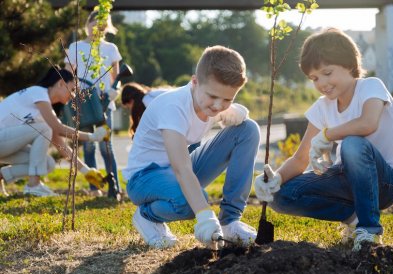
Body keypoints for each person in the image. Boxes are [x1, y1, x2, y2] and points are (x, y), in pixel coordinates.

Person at [254, 28, 393, 252]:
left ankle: (369, 231)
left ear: (349, 64)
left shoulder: (371, 87)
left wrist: (328, 134)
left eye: (327, 73)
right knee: (280, 197)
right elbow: (300, 159)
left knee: (352, 143)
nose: (321, 83)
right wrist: (274, 179)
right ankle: (354, 217)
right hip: (346, 178)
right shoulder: (322, 107)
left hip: (386, 182)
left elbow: (367, 123)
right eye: (314, 78)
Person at [123, 45, 260, 249]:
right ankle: (147, 216)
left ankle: (229, 221)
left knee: (247, 129)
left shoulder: (209, 102)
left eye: (228, 99)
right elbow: (182, 168)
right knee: (191, 203)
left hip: (173, 171)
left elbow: (219, 111)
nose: (218, 105)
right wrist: (205, 216)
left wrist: (230, 112)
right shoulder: (174, 107)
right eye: (213, 96)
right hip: (144, 178)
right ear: (194, 82)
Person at [0, 66, 110, 197]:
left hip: (5, 144)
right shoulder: (38, 92)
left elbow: (60, 145)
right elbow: (57, 128)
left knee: (47, 164)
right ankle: (33, 185)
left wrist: (86, 170)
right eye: (73, 89)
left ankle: (2, 176)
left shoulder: (45, 109)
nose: (74, 95)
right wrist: (92, 137)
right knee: (45, 127)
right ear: (61, 83)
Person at [65, 10, 122, 197]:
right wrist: (73, 94)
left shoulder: (111, 48)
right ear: (87, 25)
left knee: (107, 146)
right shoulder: (76, 47)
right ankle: (94, 188)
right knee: (89, 146)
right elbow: (67, 75)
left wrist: (116, 91)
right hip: (85, 104)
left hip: (105, 103)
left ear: (106, 29)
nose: (96, 29)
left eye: (101, 26)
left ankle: (115, 188)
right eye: (93, 25)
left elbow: (117, 77)